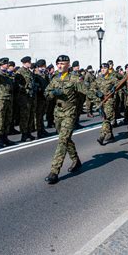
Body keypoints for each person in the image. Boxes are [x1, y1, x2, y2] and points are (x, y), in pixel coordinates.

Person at [44, 55, 96, 185]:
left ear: (68, 65)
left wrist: (99, 99)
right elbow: (46, 93)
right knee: (65, 139)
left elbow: (87, 91)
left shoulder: (74, 79)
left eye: (63, 63)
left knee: (62, 140)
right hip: (58, 113)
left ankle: (54, 172)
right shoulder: (55, 79)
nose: (60, 66)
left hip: (69, 113)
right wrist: (52, 93)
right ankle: (76, 160)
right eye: (59, 63)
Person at [92, 62, 119, 145]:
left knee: (106, 118)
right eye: (102, 68)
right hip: (101, 101)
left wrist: (114, 88)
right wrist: (97, 92)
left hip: (109, 101)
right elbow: (92, 87)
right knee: (105, 118)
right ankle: (110, 134)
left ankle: (102, 136)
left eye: (105, 68)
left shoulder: (112, 78)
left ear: (108, 69)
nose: (103, 70)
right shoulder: (98, 78)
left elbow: (119, 84)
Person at [15, 56, 37, 142]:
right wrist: (25, 89)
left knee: (31, 115)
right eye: (28, 62)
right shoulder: (20, 72)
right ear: (24, 63)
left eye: (30, 62)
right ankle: (24, 134)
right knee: (24, 116)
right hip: (24, 97)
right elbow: (18, 85)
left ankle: (28, 132)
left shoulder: (29, 72)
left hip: (31, 97)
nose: (30, 63)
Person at [34, 59, 50, 138]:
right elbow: (36, 86)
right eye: (43, 66)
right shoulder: (36, 75)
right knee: (39, 115)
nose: (44, 67)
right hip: (39, 97)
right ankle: (39, 131)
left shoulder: (44, 74)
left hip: (44, 97)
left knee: (42, 113)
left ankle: (42, 129)